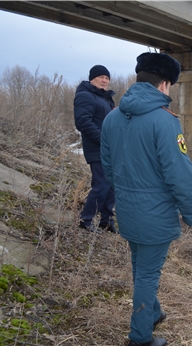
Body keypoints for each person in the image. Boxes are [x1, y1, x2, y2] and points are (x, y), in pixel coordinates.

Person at [100, 52, 192, 346]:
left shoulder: (112, 117)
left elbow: (108, 167)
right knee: (147, 273)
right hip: (155, 216)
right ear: (165, 84)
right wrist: (191, 213)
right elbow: (180, 175)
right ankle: (140, 338)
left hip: (128, 211)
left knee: (140, 266)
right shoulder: (165, 122)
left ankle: (153, 313)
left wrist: (128, 194)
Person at [74, 65, 118, 234]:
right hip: (97, 148)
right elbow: (83, 122)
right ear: (92, 78)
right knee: (101, 185)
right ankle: (85, 220)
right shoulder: (85, 96)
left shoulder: (105, 98)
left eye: (107, 78)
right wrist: (104, 140)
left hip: (109, 149)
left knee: (111, 186)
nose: (104, 80)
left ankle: (106, 221)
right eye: (101, 77)